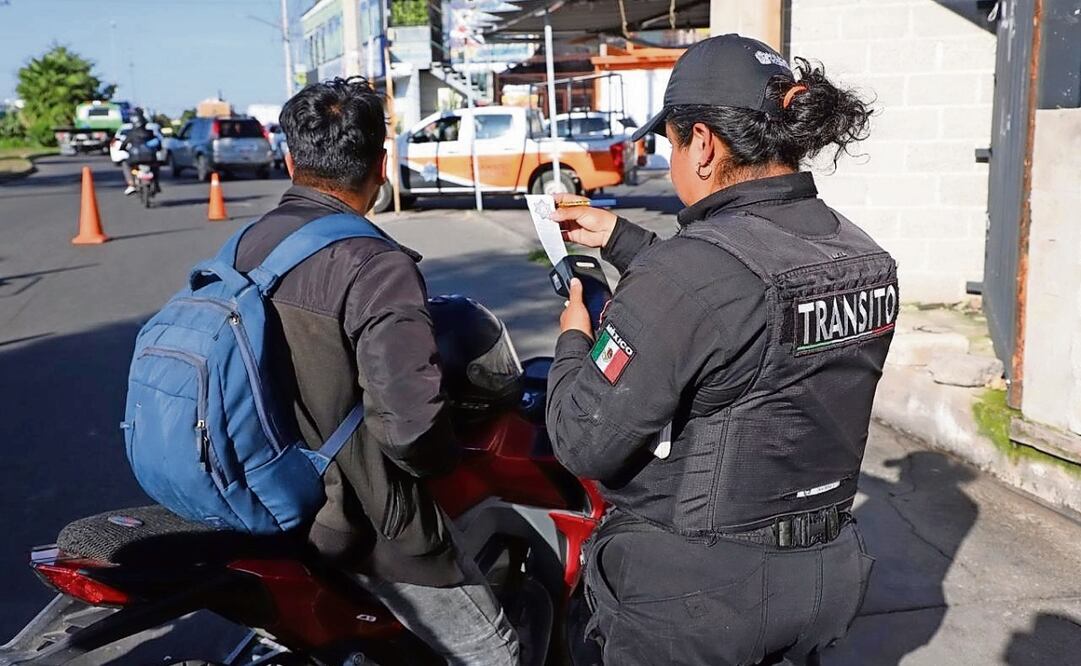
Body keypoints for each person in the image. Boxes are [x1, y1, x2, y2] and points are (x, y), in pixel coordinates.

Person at [547, 34, 890, 665]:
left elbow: (582, 440)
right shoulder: (862, 254)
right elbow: (735, 306)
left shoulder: (689, 275)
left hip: (697, 600)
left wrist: (574, 337)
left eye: (670, 144)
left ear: (702, 144)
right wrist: (621, 239)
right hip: (825, 574)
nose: (670, 162)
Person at [233, 77, 519, 665]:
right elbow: (409, 427)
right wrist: (442, 459)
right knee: (496, 654)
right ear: (382, 166)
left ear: (290, 161)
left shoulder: (244, 247)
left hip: (256, 498)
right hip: (352, 520)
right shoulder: (375, 265)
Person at [120, 110, 161, 195]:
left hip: (134, 158)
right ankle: (156, 184)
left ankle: (131, 184)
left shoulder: (131, 133)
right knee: (156, 166)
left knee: (125, 164)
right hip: (150, 158)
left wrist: (122, 149)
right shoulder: (150, 132)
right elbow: (158, 144)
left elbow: (123, 144)